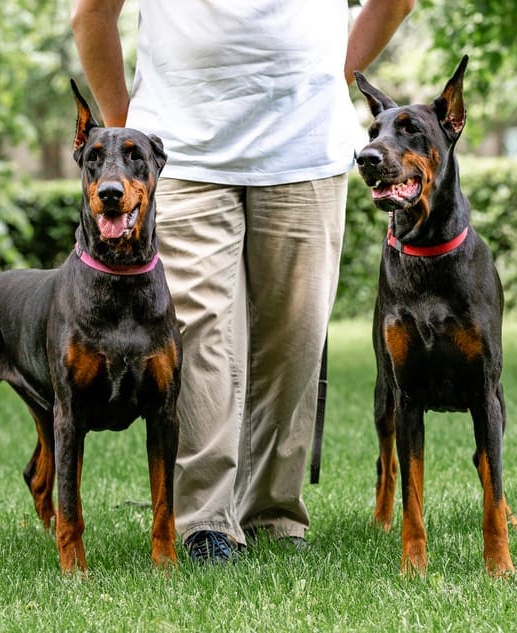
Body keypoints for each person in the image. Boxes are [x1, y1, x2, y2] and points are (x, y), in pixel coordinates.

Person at [71, 0, 414, 563]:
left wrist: (328, 73)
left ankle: (273, 513)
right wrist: (126, 133)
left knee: (295, 338)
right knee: (200, 333)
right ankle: (205, 520)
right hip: (183, 156)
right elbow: (91, 15)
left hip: (304, 150)